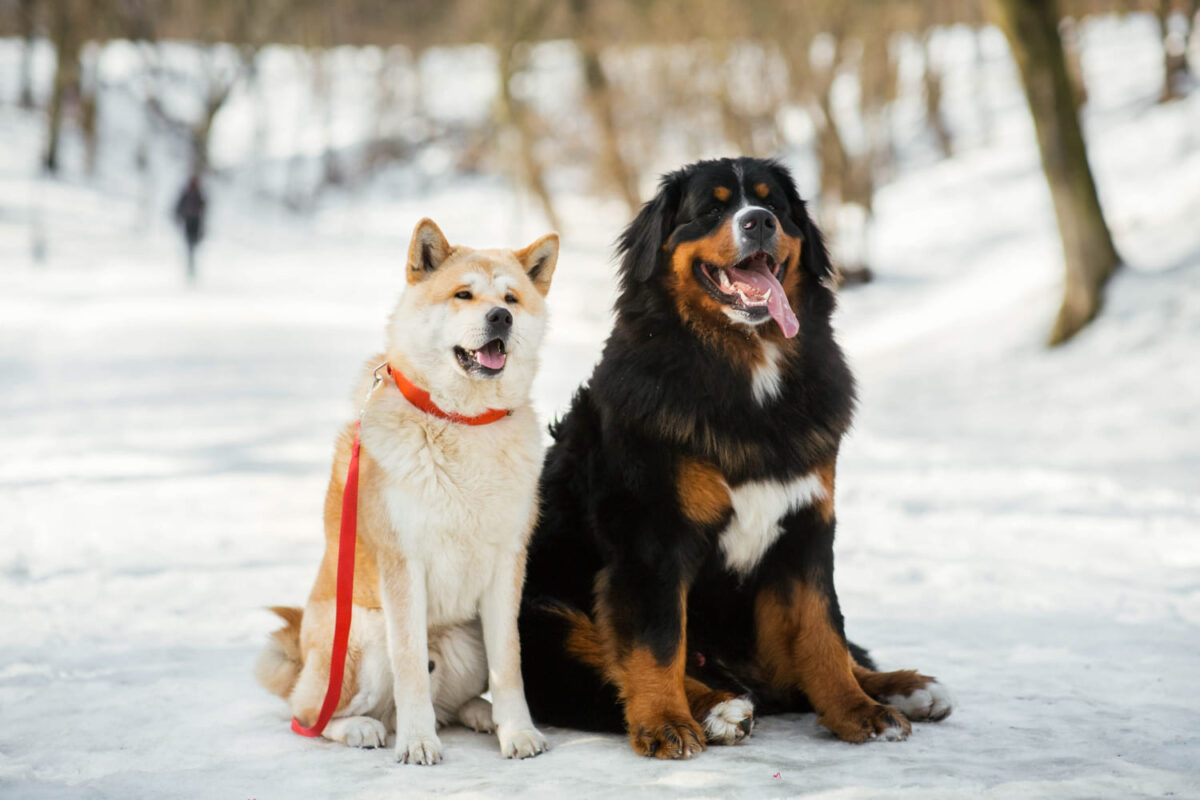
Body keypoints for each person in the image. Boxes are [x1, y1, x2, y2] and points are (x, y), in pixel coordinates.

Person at [173, 174, 206, 284]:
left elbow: (204, 207)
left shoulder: (197, 193)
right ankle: (190, 267)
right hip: (190, 222)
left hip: (195, 222)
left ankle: (191, 266)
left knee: (192, 246)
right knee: (190, 246)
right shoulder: (190, 194)